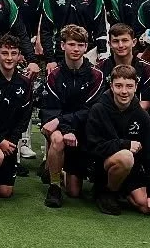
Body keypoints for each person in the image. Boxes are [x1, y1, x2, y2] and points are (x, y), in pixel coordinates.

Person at [38, 24, 104, 207]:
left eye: (80, 45)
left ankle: (56, 168)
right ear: (62, 46)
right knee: (57, 139)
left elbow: (90, 110)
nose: (76, 49)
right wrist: (65, 128)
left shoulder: (96, 75)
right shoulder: (54, 75)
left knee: (75, 192)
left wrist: (66, 124)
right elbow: (50, 110)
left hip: (83, 131)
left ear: (86, 47)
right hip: (61, 130)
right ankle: (54, 186)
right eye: (72, 44)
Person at [85, 66, 150, 215]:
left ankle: (124, 192)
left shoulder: (142, 115)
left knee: (147, 207)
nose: (124, 91)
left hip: (132, 171)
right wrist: (125, 144)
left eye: (129, 86)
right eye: (119, 86)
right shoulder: (98, 109)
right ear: (111, 86)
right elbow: (92, 147)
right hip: (104, 167)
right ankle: (107, 192)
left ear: (136, 87)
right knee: (126, 157)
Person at [0, 34, 36, 199]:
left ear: (19, 55)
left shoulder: (25, 83)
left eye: (13, 53)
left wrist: (12, 140)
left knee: (5, 192)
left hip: (9, 139)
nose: (9, 58)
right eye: (4, 53)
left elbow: (24, 117)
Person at [100, 23, 150, 106]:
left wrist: (124, 116)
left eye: (125, 40)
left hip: (136, 115)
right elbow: (97, 101)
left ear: (134, 42)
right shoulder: (99, 69)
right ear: (109, 44)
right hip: (106, 115)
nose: (120, 45)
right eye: (115, 41)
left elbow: (146, 102)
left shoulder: (147, 69)